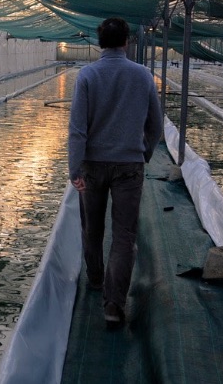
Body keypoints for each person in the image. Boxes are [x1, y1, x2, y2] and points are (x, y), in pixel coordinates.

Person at [67, 17, 163, 328]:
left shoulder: (88, 76)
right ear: (126, 42)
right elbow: (155, 125)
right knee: (124, 236)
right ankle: (113, 303)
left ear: (99, 43)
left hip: (93, 166)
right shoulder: (142, 76)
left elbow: (78, 130)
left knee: (92, 228)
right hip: (128, 167)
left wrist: (74, 168)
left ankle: (96, 279)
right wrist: (144, 153)